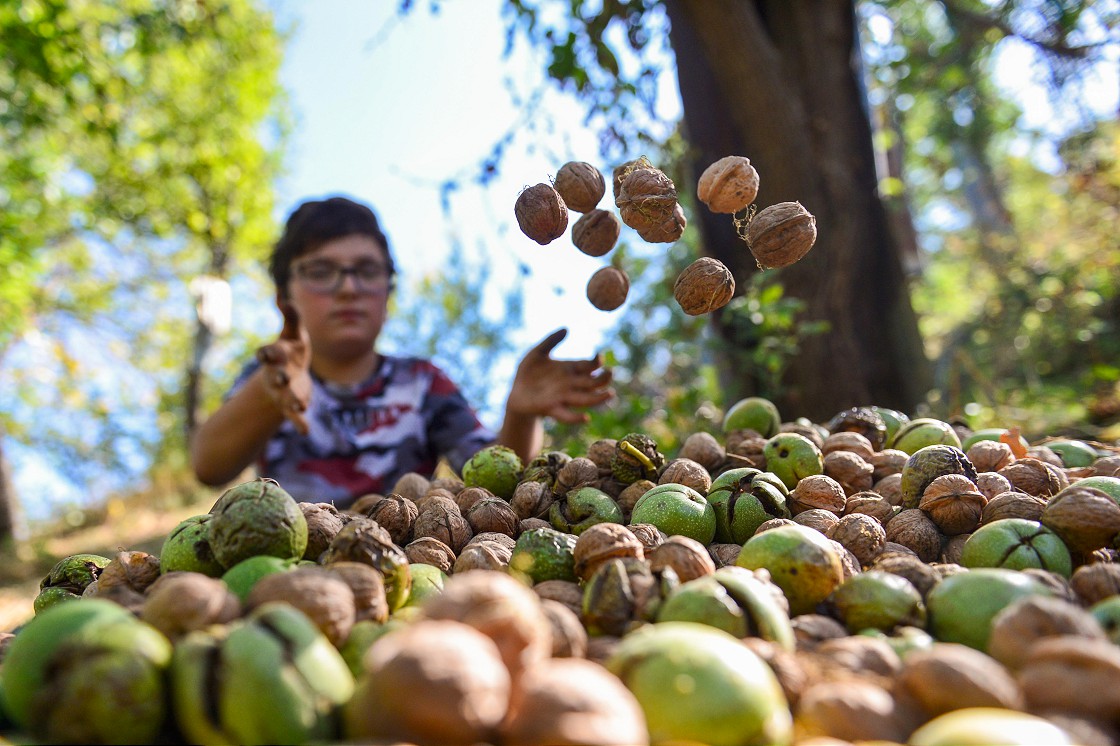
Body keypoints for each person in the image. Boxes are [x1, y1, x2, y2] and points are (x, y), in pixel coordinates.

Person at [190, 195, 614, 508]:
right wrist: (271, 391)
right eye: (321, 271)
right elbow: (209, 466)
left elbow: (500, 482)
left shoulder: (422, 383)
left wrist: (520, 415)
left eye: (367, 271)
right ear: (286, 297)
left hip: (409, 564)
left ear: (388, 294)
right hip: (294, 567)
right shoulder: (265, 376)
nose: (348, 288)